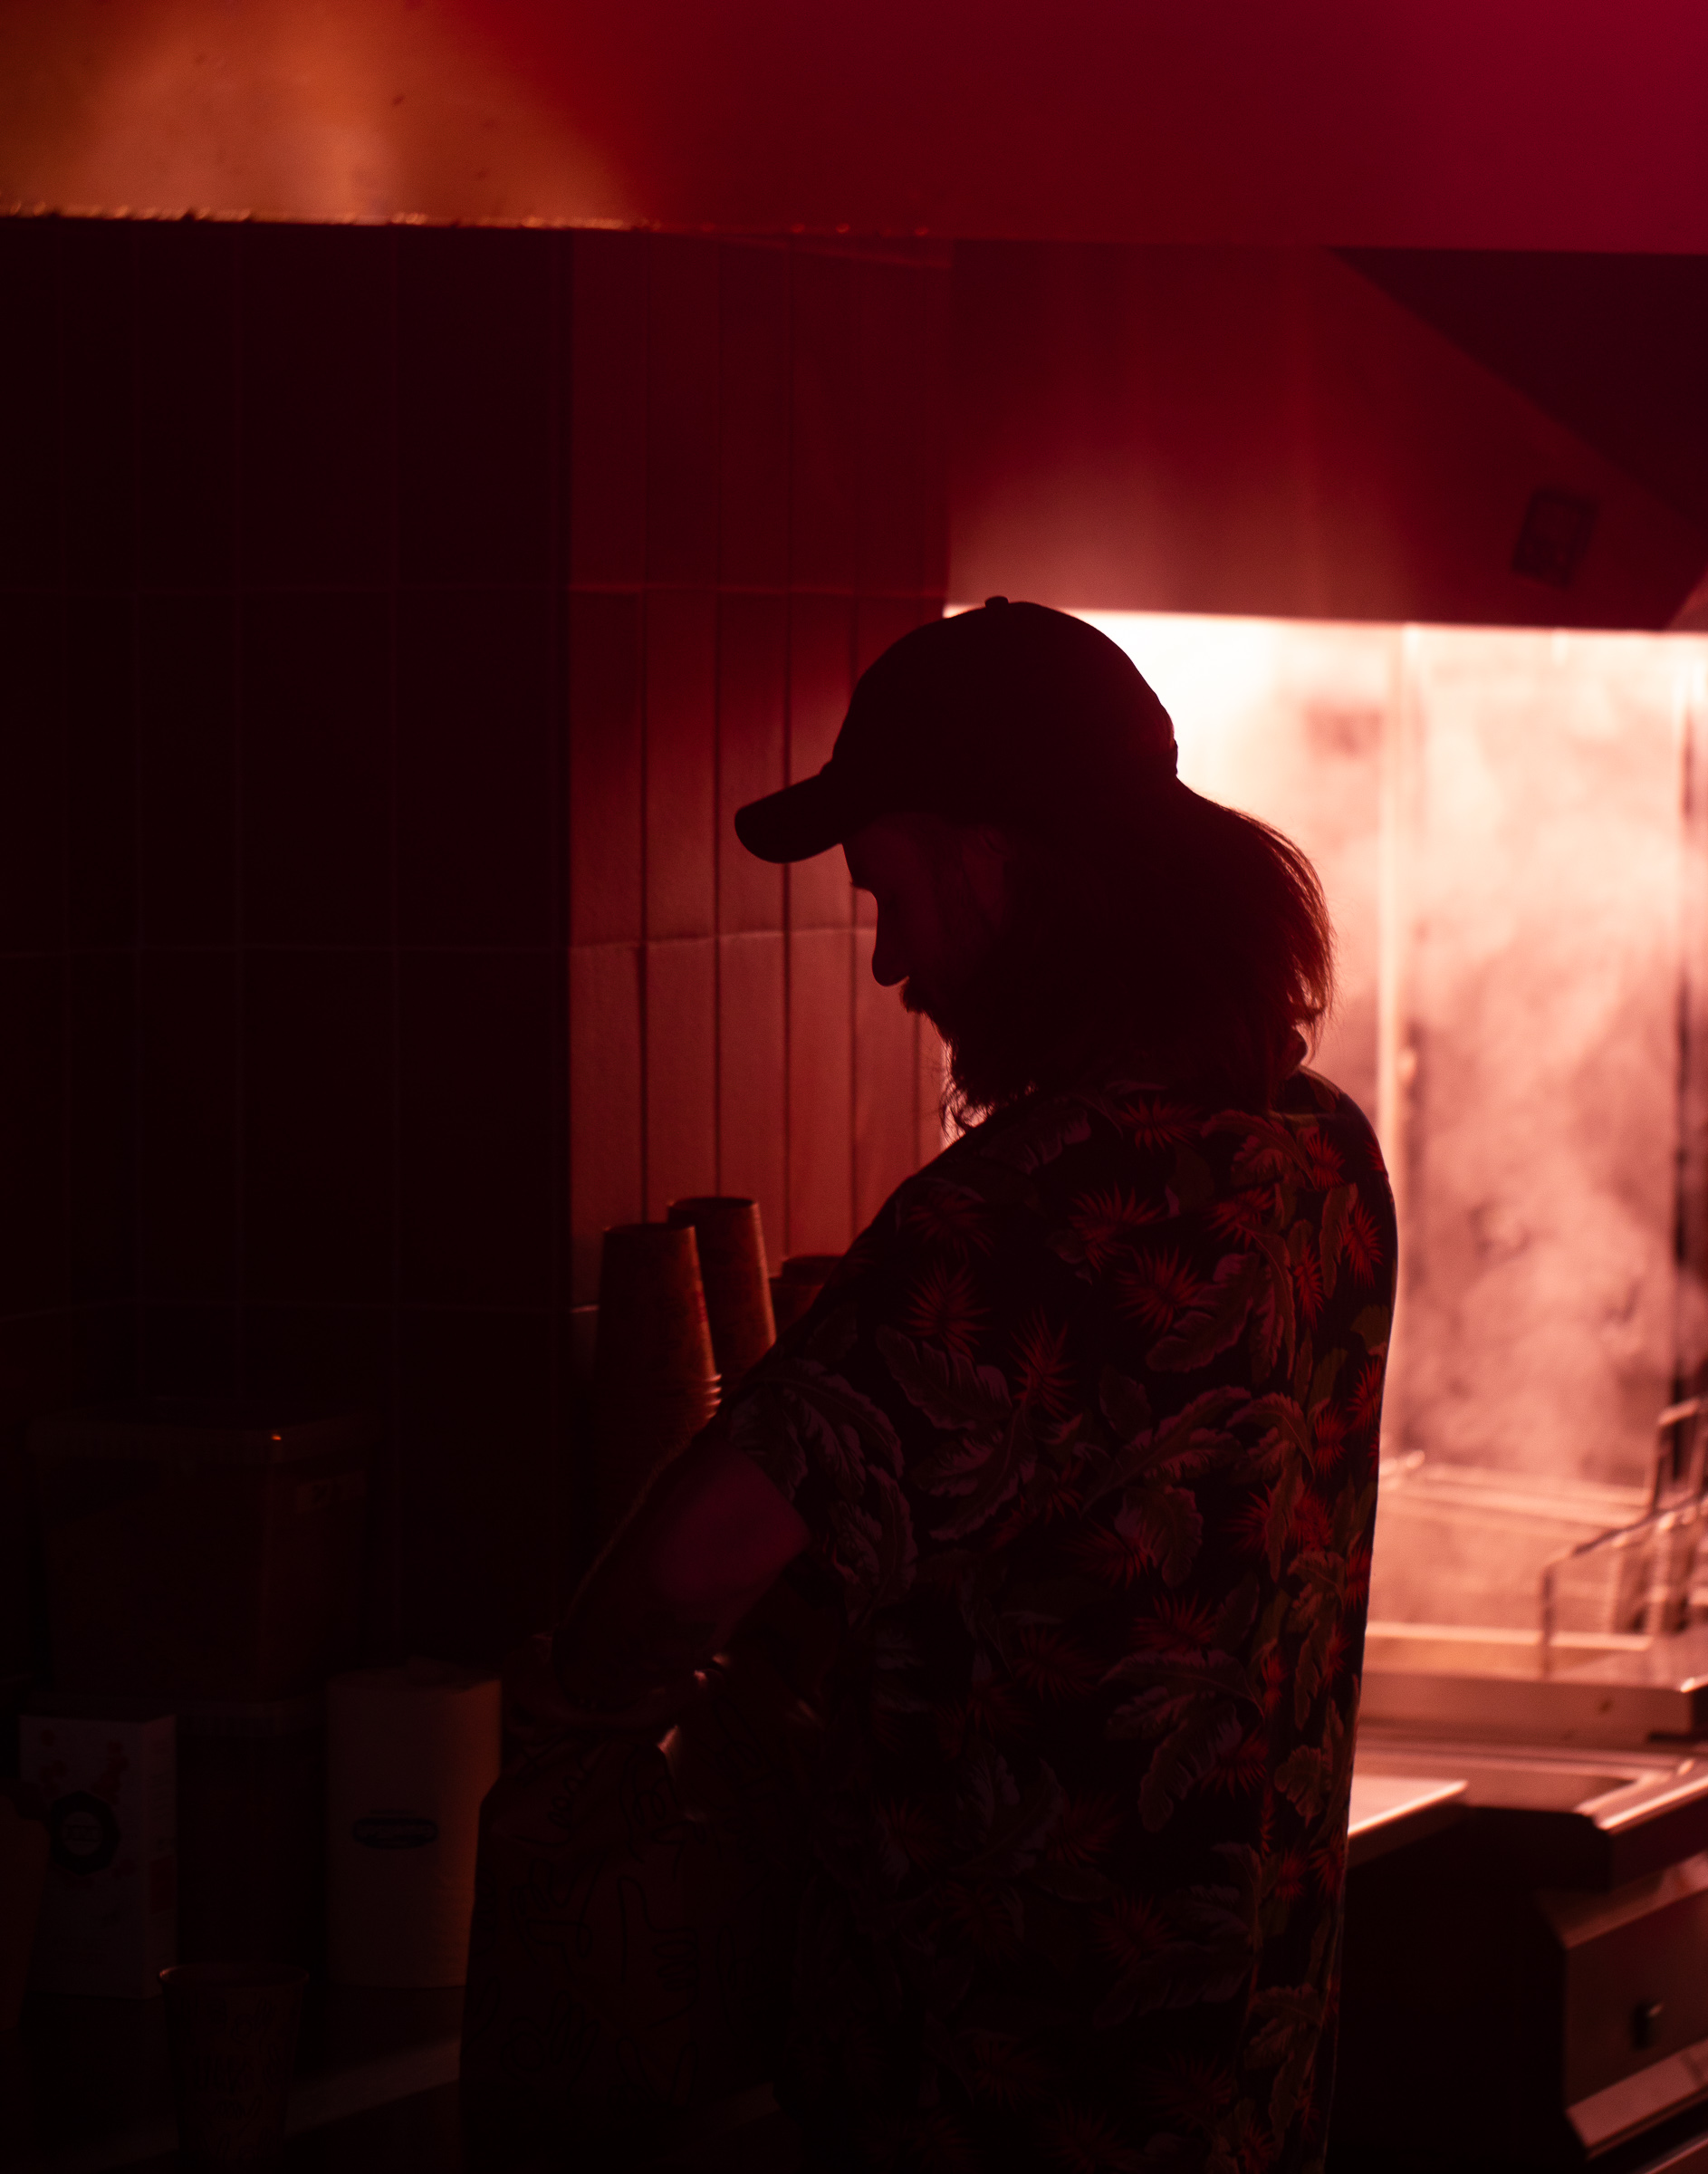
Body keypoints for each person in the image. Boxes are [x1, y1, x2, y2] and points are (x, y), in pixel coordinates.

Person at [479, 600, 1396, 2172]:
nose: (895, 960)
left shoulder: (1016, 1220)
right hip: (1236, 2081)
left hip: (989, 2104)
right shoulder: (1318, 1149)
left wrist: (574, 1739)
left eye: (890, 893)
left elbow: (699, 1557)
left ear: (999, 860)